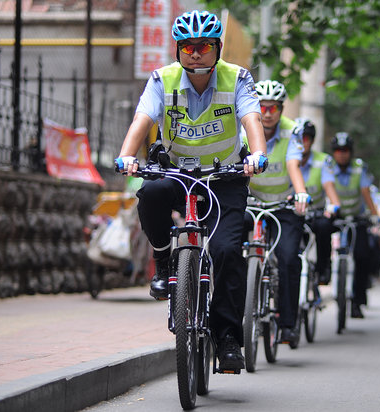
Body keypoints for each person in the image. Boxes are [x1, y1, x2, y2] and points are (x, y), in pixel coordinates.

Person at [114, 10, 268, 371]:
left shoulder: (238, 77)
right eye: (187, 47)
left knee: (229, 250)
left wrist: (258, 153)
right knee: (151, 194)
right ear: (178, 50)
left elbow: (251, 118)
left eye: (202, 46)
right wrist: (126, 155)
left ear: (216, 48)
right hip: (177, 173)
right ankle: (164, 259)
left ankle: (228, 339)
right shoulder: (162, 79)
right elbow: (143, 119)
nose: (194, 53)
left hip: (225, 178)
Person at [242, 80, 309, 345]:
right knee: (226, 246)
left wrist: (301, 192)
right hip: (250, 203)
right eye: (263, 107)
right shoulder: (244, 127)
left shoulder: (293, 131)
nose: (268, 113)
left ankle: (288, 325)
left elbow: (293, 164)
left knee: (289, 258)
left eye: (274, 108)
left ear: (281, 109)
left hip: (283, 206)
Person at [330, 132, 380, 319]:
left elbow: (366, 193)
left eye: (345, 150)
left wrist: (374, 216)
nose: (342, 154)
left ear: (351, 152)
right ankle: (323, 272)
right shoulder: (328, 168)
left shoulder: (359, 169)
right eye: (338, 150)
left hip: (357, 219)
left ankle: (357, 302)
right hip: (335, 217)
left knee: (362, 256)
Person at [296, 117, 341, 285]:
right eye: (298, 138)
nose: (301, 142)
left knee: (324, 227)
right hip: (291, 212)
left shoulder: (323, 161)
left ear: (312, 140)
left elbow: (330, 189)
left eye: (305, 138)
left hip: (316, 213)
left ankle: (324, 269)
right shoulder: (287, 158)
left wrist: (333, 207)